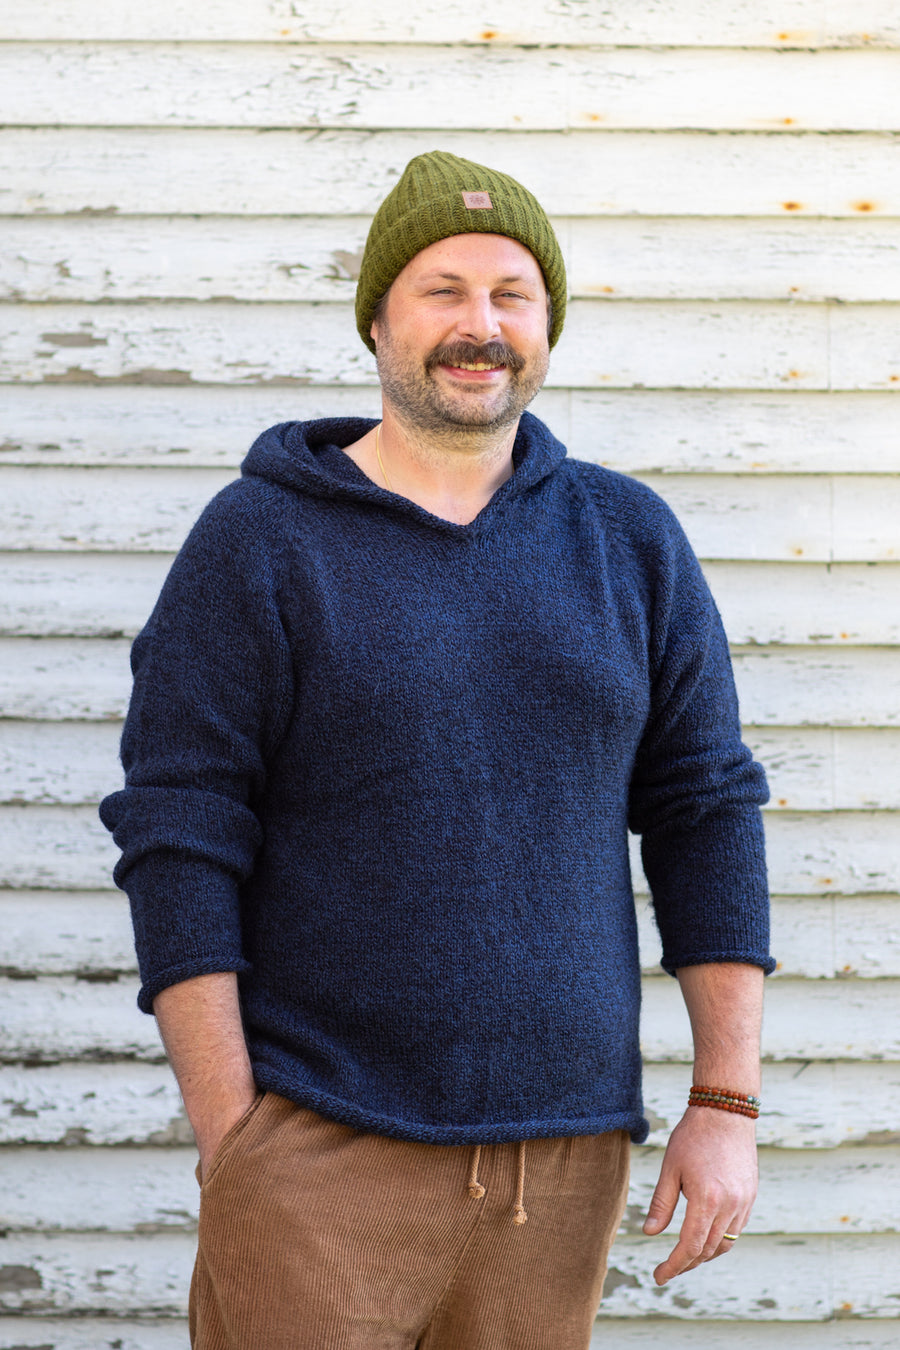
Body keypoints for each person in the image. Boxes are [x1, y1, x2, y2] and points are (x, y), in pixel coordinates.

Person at [101, 150, 773, 1350]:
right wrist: (234, 1136)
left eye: (513, 293)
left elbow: (704, 808)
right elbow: (179, 831)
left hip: (562, 1166)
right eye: (442, 290)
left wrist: (724, 1100)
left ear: (549, 322)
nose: (482, 326)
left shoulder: (628, 539)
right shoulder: (259, 540)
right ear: (377, 320)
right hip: (320, 1147)